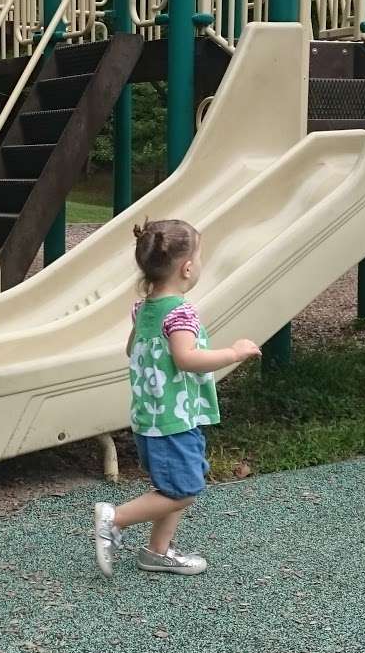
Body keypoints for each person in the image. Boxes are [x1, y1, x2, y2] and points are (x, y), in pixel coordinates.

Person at [94, 219, 260, 580]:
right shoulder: (180, 312)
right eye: (199, 257)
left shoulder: (144, 309)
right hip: (172, 417)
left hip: (152, 414)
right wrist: (233, 352)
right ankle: (115, 518)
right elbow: (186, 358)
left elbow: (131, 348)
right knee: (184, 490)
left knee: (175, 483)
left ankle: (158, 551)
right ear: (187, 268)